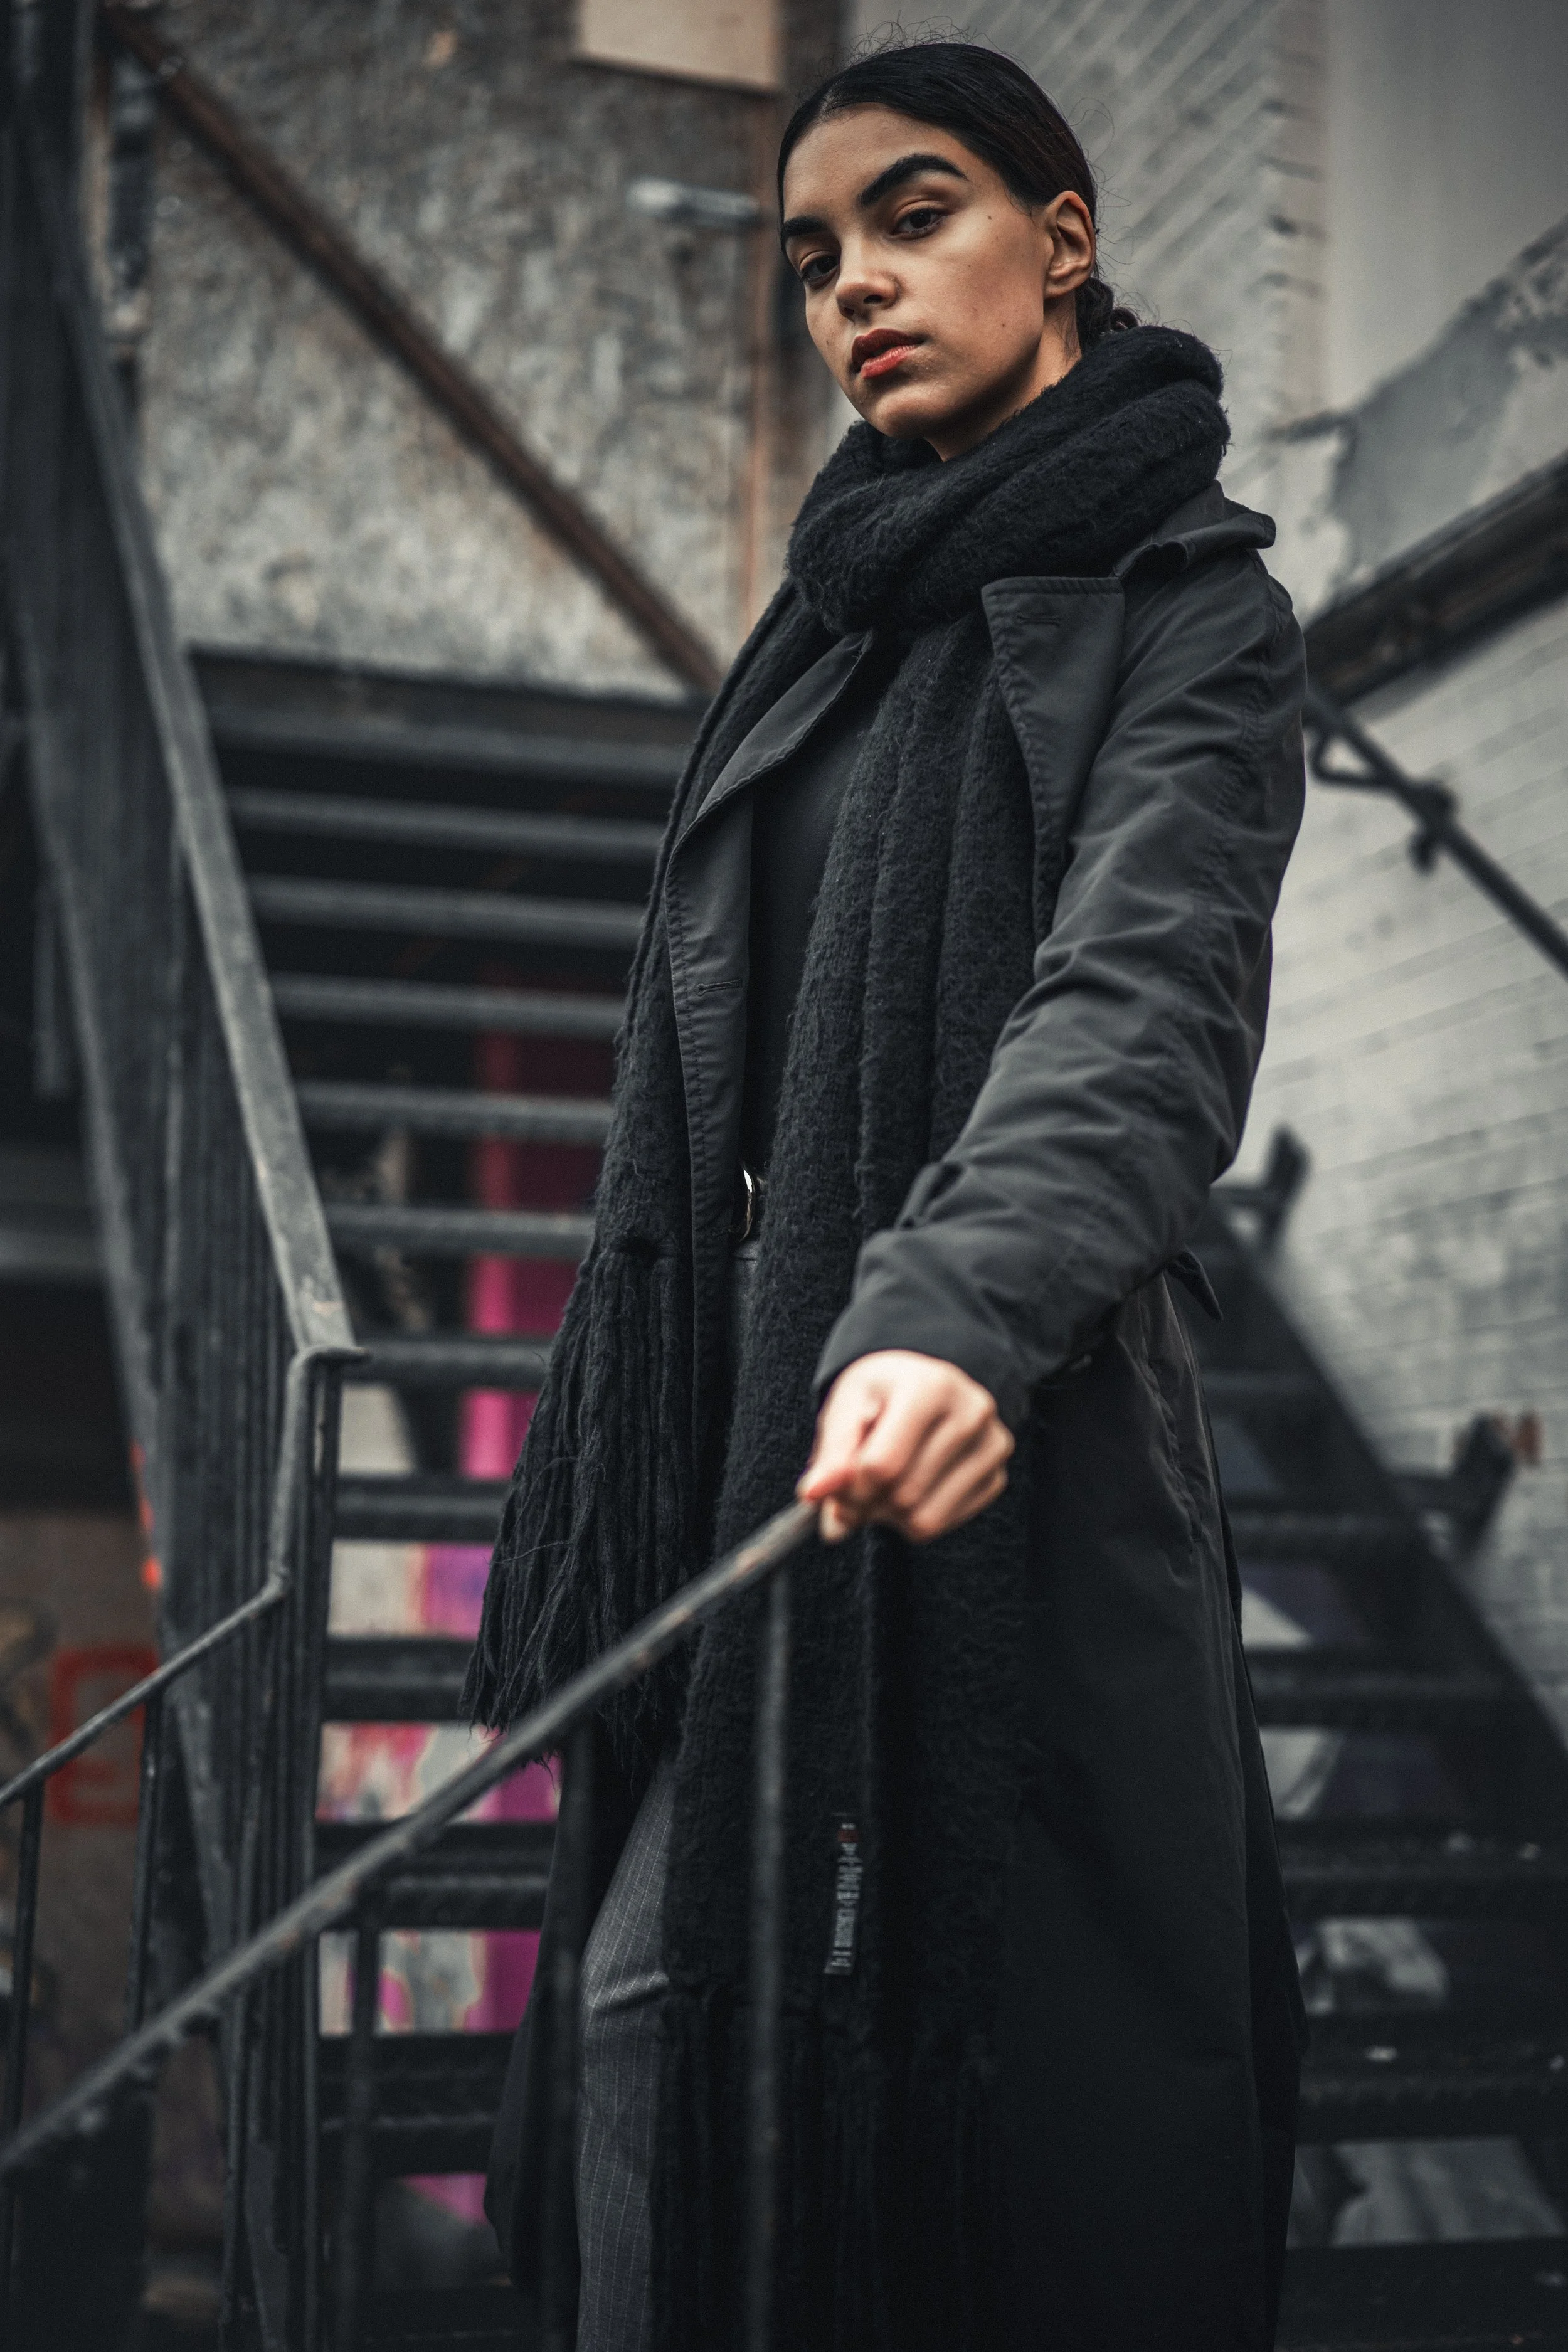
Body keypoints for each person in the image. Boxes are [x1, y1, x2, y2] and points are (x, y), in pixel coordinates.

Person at [468, 37, 1308, 2352]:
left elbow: (1132, 1012)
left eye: (911, 214)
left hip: (999, 1419)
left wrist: (941, 1306)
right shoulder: (816, 628)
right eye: (810, 256)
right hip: (747, 1458)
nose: (850, 284)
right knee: (654, 2035)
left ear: (1062, 241)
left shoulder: (1191, 618)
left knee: (1023, 2138)